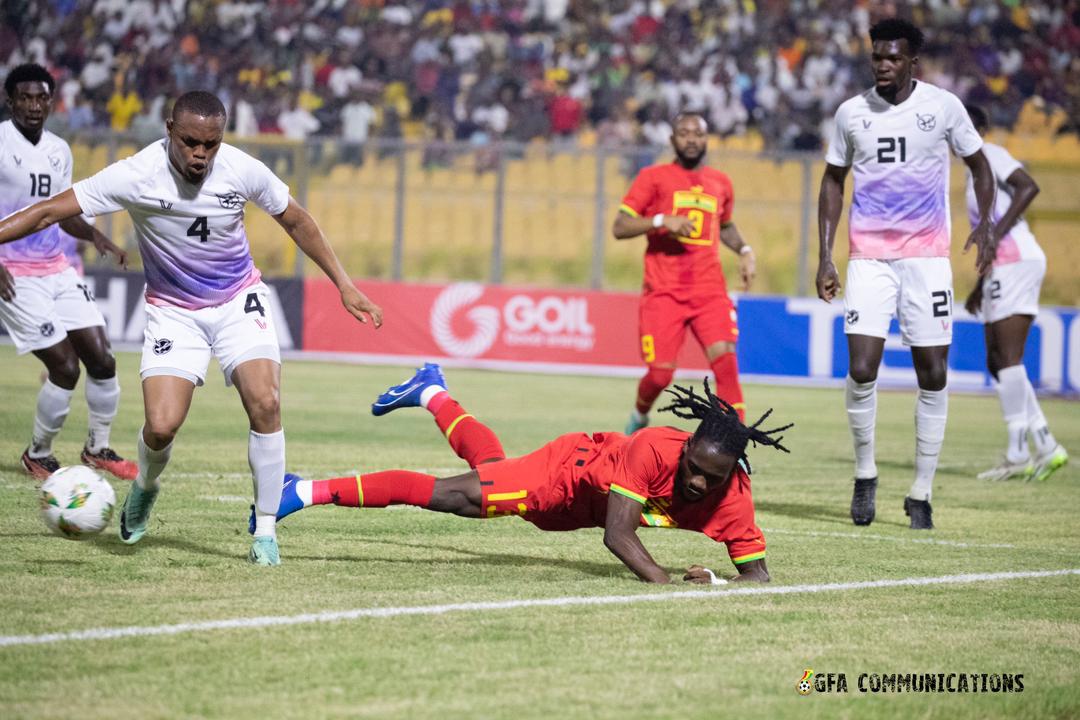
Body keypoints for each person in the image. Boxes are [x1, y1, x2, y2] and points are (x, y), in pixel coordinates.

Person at [0, 90, 384, 566]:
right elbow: (48, 211)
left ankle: (265, 531)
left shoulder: (241, 168)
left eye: (211, 144)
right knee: (161, 428)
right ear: (169, 130)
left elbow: (297, 220)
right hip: (174, 312)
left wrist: (344, 285)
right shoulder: (134, 174)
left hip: (238, 301)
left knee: (265, 402)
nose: (201, 154)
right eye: (190, 142)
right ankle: (145, 485)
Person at [256, 363, 792, 584]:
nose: (698, 482)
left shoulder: (734, 501)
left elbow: (759, 581)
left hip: (570, 512)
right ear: (687, 445)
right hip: (565, 472)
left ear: (732, 478)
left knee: (491, 469)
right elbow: (618, 533)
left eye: (710, 479)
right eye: (693, 467)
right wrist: (666, 581)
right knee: (457, 497)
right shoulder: (654, 448)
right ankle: (301, 490)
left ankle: (431, 390)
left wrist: (719, 581)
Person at [815, 19, 996, 530]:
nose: (883, 65)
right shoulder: (852, 112)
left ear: (913, 61)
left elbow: (980, 167)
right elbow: (833, 180)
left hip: (927, 259)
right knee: (862, 368)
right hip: (869, 258)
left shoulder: (943, 107)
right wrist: (827, 256)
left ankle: (921, 491)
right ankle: (866, 472)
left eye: (893, 57)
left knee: (933, 374)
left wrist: (986, 227)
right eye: (877, 57)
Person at [0, 63, 136, 481]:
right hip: (13, 273)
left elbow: (59, 212)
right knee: (64, 367)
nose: (34, 105)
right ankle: (38, 453)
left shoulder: (59, 149)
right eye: (25, 97)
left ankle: (98, 447)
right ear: (10, 101)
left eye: (42, 97)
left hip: (57, 268)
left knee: (103, 359)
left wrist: (97, 237)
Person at [613, 112, 756, 436]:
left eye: (698, 133)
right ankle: (640, 413)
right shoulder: (652, 177)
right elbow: (620, 226)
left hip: (710, 293)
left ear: (707, 139)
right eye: (684, 132)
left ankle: (736, 446)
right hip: (663, 293)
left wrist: (745, 251)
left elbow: (726, 225)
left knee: (727, 367)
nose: (691, 139)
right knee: (661, 375)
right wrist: (662, 221)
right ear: (672, 140)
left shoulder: (721, 182)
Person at [962, 105, 1068, 483]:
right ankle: (1045, 444)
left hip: (1018, 260)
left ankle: (1017, 452)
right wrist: (978, 284)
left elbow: (1029, 186)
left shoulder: (991, 155)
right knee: (997, 360)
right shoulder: (971, 173)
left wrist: (994, 235)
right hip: (1002, 266)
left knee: (1007, 357)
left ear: (977, 129)